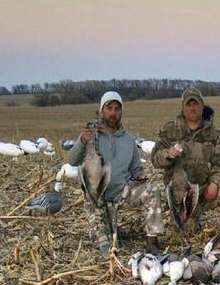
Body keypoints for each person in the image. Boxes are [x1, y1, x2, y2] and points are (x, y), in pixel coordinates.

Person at [67, 91, 162, 257]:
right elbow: (72, 160)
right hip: (96, 198)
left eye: (117, 108)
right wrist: (82, 142)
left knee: (152, 190)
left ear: (121, 112)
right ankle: (104, 229)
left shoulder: (128, 140)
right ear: (102, 110)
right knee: (106, 246)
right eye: (109, 108)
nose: (113, 112)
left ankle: (152, 240)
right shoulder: (90, 136)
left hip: (122, 192)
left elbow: (136, 168)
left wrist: (139, 176)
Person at [151, 88, 220, 230]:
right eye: (189, 104)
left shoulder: (214, 134)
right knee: (181, 235)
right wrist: (168, 154)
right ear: (183, 107)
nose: (192, 108)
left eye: (196, 104)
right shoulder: (170, 130)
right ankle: (187, 222)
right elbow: (155, 159)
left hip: (205, 191)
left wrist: (215, 183)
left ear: (202, 106)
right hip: (180, 196)